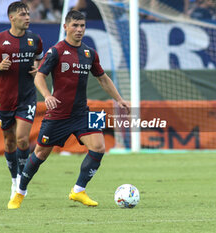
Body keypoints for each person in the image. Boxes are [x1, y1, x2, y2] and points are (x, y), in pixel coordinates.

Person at [8, 10, 130, 209]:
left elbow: (103, 78)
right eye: (75, 25)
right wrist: (47, 96)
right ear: (66, 27)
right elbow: (39, 76)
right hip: (58, 115)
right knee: (40, 155)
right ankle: (19, 193)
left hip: (83, 112)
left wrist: (119, 99)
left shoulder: (90, 53)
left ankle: (78, 190)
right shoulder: (56, 51)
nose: (79, 29)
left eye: (82, 26)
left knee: (99, 147)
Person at [0, 1, 43, 200]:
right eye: (23, 14)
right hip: (5, 99)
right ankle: (14, 180)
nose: (27, 17)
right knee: (9, 142)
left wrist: (37, 68)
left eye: (28, 14)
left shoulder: (35, 39)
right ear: (11, 17)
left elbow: (40, 59)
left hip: (27, 97)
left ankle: (22, 182)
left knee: (23, 138)